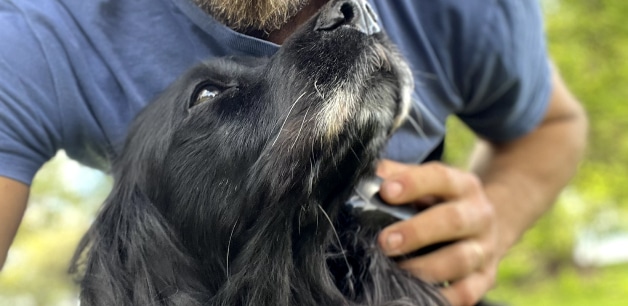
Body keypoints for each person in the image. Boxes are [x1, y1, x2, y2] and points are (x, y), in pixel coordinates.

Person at [0, 0, 587, 305]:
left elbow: (554, 125)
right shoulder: (36, 39)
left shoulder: (468, 8)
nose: (344, 13)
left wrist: (492, 223)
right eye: (209, 98)